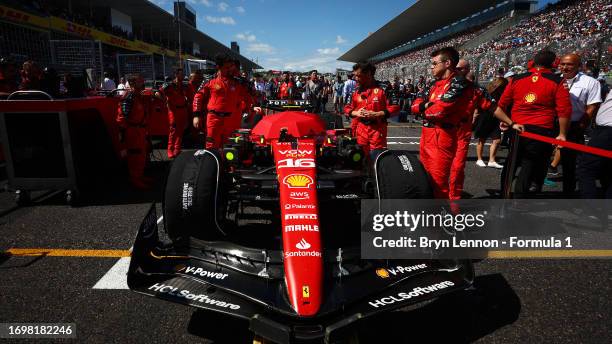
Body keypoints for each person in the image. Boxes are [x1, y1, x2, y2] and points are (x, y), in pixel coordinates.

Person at [498, 50, 572, 198]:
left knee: (512, 161)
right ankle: (520, 197)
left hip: (517, 126)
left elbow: (502, 103)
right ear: (553, 63)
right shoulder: (557, 81)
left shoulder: (516, 79)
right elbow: (564, 110)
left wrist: (506, 121)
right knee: (528, 163)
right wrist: (562, 134)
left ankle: (503, 193)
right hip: (541, 128)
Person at [555, 53, 602, 196]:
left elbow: (592, 106)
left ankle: (568, 194)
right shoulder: (554, 79)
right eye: (562, 64)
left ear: (579, 66)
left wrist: (581, 126)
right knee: (539, 158)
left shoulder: (590, 82)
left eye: (569, 64)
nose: (565, 67)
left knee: (571, 164)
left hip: (574, 125)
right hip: (551, 123)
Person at [192, 54, 254, 150]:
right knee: (211, 146)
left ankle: (228, 165)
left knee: (230, 147)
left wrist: (249, 111)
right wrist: (196, 115)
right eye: (227, 67)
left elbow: (248, 98)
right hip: (214, 119)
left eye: (231, 67)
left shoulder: (238, 82)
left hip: (231, 120)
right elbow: (198, 97)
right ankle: (213, 164)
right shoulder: (209, 80)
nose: (230, 69)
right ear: (218, 67)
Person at [344, 61, 390, 161]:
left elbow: (395, 107)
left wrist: (377, 114)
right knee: (359, 159)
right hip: (361, 130)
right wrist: (356, 113)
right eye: (354, 76)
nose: (355, 79)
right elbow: (347, 107)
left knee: (378, 160)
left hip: (378, 130)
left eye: (358, 76)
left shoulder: (384, 88)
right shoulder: (355, 91)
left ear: (368, 74)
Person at [116, 73, 153, 189]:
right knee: (135, 155)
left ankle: (139, 176)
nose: (142, 82)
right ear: (132, 83)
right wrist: (123, 133)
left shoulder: (137, 96)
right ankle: (134, 179)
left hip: (140, 130)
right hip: (133, 131)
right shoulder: (129, 97)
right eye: (140, 81)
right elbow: (122, 117)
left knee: (141, 155)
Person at [577, 91, 612, 198]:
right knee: (607, 169)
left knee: (587, 167)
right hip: (603, 129)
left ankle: (590, 208)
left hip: (608, 130)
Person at [473, 77, 509, 169]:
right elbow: (479, 105)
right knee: (482, 139)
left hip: (495, 118)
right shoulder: (488, 93)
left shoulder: (502, 94)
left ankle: (491, 160)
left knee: (497, 140)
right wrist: (476, 115)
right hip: (485, 117)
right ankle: (479, 159)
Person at [161, 68, 191, 159]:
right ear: (176, 75)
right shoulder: (169, 85)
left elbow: (189, 95)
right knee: (173, 131)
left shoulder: (184, 85)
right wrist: (165, 100)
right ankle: (170, 150)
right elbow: (158, 92)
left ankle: (177, 149)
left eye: (183, 74)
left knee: (180, 131)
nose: (182, 76)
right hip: (173, 111)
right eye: (181, 74)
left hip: (183, 110)